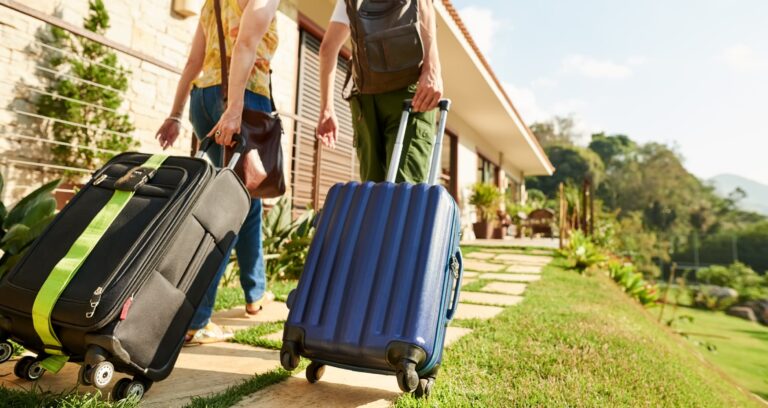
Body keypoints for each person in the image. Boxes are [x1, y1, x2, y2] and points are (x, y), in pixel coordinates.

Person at [155, 0, 280, 344]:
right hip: (241, 99)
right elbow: (245, 44)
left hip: (204, 100)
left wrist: (176, 113)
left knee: (246, 200)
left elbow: (195, 60)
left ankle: (255, 294)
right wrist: (236, 109)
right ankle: (196, 320)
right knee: (226, 211)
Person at [316, 0, 443, 183]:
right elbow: (424, 6)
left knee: (373, 194)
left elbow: (327, 49)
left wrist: (326, 109)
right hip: (410, 95)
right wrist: (432, 69)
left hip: (366, 100)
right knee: (404, 194)